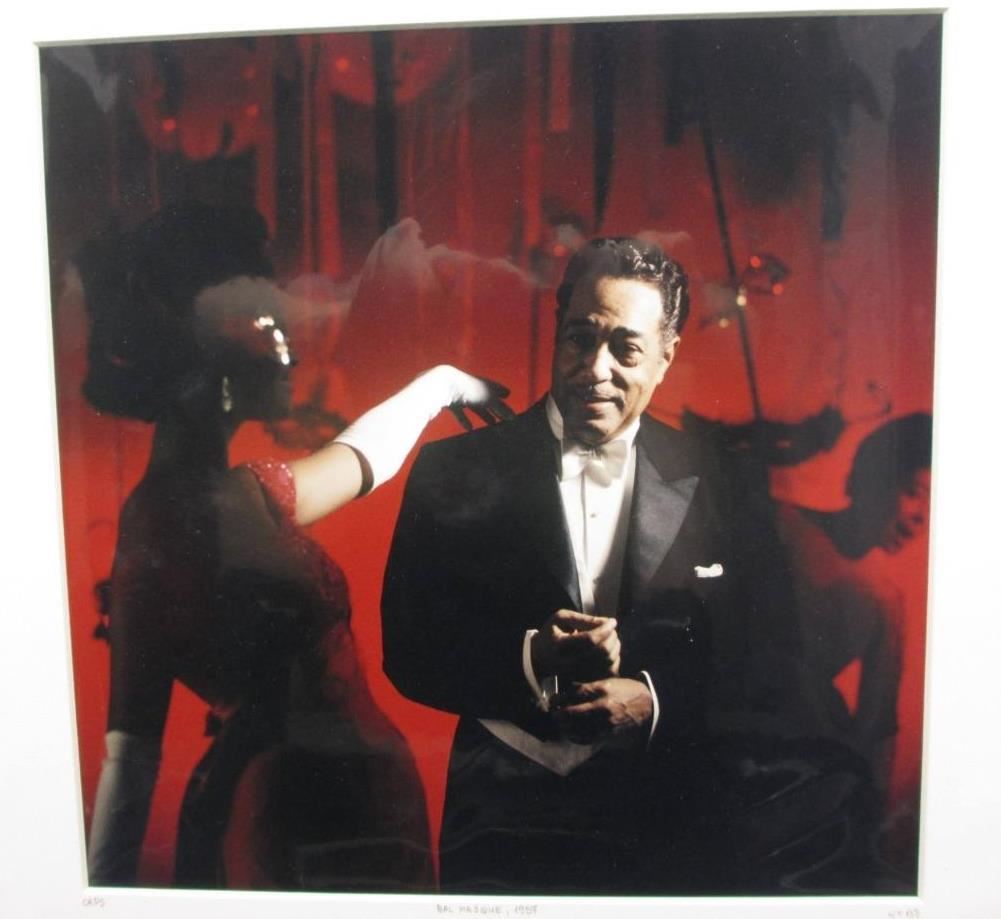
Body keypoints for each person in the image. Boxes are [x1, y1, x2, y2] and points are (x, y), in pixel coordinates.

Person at [80, 202, 511, 890]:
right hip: (295, 817)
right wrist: (98, 899)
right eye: (267, 322)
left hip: (376, 801)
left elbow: (361, 460)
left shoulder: (249, 490)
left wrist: (441, 386)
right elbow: (130, 756)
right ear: (207, 350)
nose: (291, 347)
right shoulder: (158, 523)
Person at [381, 237, 736, 894]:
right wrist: (529, 656)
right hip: (496, 822)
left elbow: (756, 658)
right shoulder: (450, 469)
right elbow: (406, 651)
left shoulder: (718, 479)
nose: (594, 369)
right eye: (580, 338)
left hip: (662, 816)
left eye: (626, 349)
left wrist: (652, 700)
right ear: (556, 331)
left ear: (666, 356)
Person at [774, 413, 932, 793]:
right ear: (874, 474)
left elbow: (878, 733)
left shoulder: (886, 602)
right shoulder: (779, 523)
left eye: (935, 507)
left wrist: (869, 816)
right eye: (915, 491)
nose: (921, 518)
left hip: (808, 771)